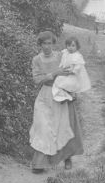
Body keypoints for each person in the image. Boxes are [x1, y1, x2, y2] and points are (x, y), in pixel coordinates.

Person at [28, 31, 84, 173]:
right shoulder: (36, 60)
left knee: (64, 126)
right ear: (40, 45)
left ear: (53, 44)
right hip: (45, 95)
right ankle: (39, 164)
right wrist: (53, 74)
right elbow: (36, 79)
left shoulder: (60, 56)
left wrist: (73, 89)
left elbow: (73, 70)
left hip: (61, 92)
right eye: (44, 44)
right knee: (43, 127)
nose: (47, 46)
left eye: (50, 43)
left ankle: (67, 158)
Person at [52, 37, 92, 102]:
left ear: (77, 47)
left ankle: (72, 96)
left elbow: (78, 65)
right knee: (59, 81)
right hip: (66, 71)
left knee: (71, 84)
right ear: (66, 46)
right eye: (68, 46)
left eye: (73, 46)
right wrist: (61, 66)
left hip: (73, 74)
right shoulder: (66, 52)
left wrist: (73, 71)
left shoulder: (77, 56)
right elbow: (61, 58)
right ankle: (63, 97)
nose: (70, 48)